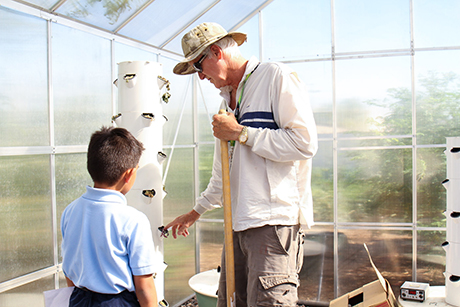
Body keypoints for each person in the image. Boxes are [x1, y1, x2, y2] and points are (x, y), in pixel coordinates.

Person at [166, 22, 318, 307]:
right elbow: (224, 175)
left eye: (199, 67)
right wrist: (193, 213)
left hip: (273, 223)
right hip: (237, 224)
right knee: (231, 302)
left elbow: (304, 143)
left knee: (268, 302)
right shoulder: (226, 105)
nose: (200, 77)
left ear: (215, 53)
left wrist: (242, 133)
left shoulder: (275, 77)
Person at [61, 126, 158, 307]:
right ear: (129, 174)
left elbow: (68, 271)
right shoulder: (134, 220)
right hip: (117, 302)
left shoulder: (70, 211)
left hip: (79, 298)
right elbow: (144, 287)